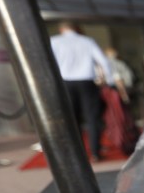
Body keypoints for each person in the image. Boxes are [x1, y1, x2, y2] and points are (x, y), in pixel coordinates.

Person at [49, 21, 114, 161]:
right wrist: (109, 81)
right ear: (77, 29)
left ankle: (77, 154)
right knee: (92, 118)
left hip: (65, 83)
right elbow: (103, 61)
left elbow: (48, 63)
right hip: (86, 83)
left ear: (61, 29)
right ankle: (95, 152)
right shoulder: (87, 41)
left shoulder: (54, 41)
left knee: (71, 120)